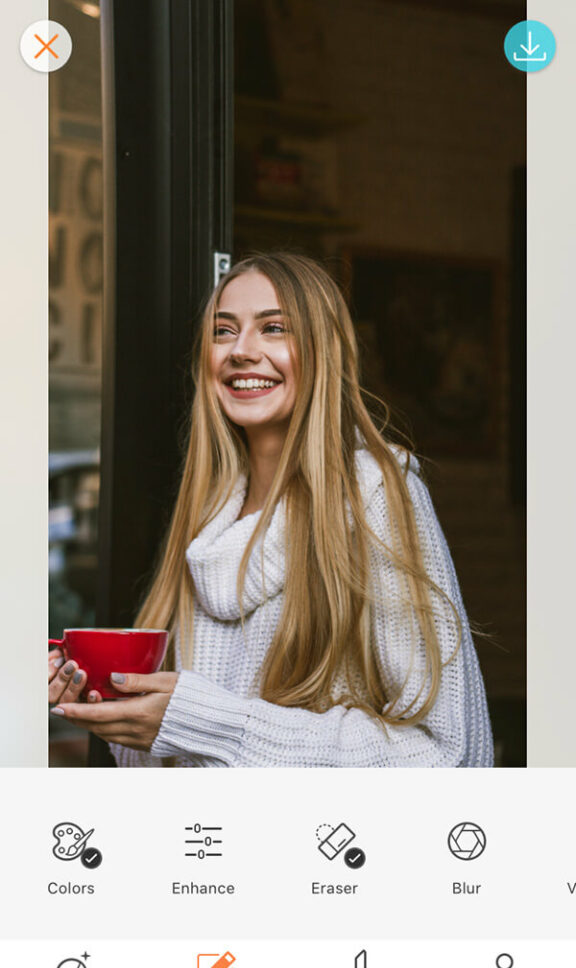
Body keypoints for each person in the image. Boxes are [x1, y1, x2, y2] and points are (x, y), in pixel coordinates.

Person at [49, 252, 493, 767]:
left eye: (274, 328)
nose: (241, 351)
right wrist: (120, 718)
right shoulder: (208, 518)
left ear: (322, 352)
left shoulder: (374, 493)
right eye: (223, 331)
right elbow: (182, 763)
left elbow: (449, 755)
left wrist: (212, 725)